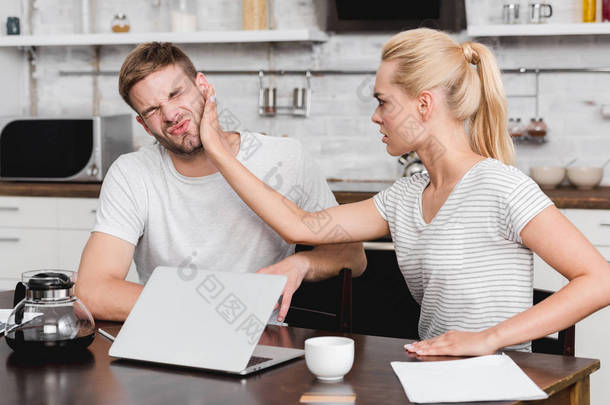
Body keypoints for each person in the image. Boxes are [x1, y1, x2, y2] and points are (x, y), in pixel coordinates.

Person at [196, 28, 610, 356]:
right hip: (432, 371)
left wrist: (489, 338)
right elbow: (300, 225)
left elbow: (599, 280)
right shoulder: (406, 196)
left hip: (498, 378)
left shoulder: (499, 185)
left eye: (383, 102)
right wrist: (216, 148)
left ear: (424, 105)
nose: (375, 117)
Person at [74, 42, 366, 322]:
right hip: (166, 332)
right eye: (151, 110)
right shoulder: (131, 174)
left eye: (176, 94)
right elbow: (93, 291)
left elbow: (353, 256)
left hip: (260, 339)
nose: (170, 115)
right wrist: (214, 312)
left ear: (203, 86)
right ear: (143, 125)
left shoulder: (285, 158)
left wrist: (304, 263)